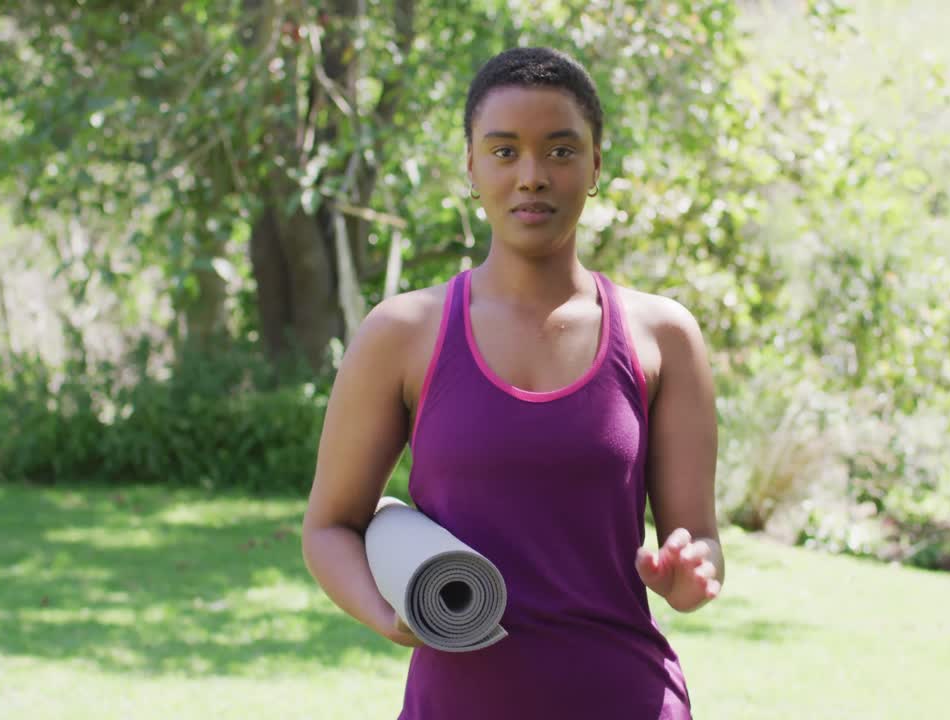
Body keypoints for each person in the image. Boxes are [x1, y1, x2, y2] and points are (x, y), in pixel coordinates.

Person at [301, 46, 723, 720]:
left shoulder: (663, 336)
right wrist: (385, 611)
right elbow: (329, 526)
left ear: (595, 166)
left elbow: (698, 538)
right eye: (504, 152)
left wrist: (691, 573)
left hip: (628, 698)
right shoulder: (402, 333)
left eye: (561, 151)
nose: (532, 176)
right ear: (470, 165)